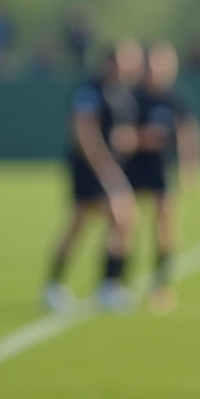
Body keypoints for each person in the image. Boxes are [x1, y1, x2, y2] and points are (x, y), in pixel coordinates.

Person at [44, 38, 144, 313]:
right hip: (90, 168)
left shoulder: (122, 94)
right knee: (88, 222)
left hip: (108, 167)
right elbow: (83, 131)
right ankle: (58, 286)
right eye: (128, 60)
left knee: (119, 220)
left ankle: (108, 286)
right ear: (111, 62)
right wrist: (105, 169)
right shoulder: (91, 90)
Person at [126, 40, 200, 315]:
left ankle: (161, 285)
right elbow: (120, 133)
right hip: (132, 168)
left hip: (160, 169)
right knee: (125, 224)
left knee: (166, 225)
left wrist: (190, 166)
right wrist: (139, 139)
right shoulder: (132, 96)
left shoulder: (176, 97)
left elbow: (188, 131)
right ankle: (118, 283)